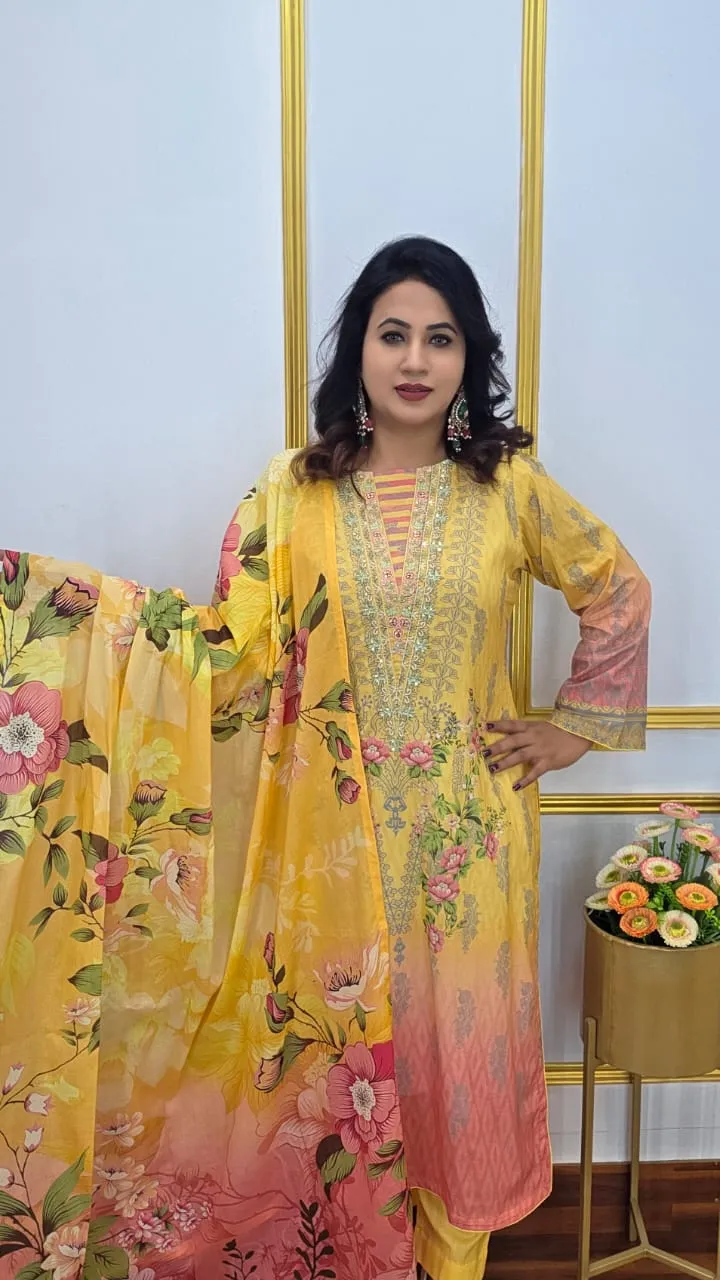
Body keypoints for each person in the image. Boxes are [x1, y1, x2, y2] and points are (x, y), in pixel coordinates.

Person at [0, 236, 650, 1280]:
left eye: (441, 338)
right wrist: (65, 613)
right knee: (333, 1075)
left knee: (452, 1076)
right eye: (393, 334)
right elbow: (228, 654)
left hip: (464, 847)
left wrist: (573, 726)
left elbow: (617, 588)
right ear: (358, 351)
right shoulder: (288, 495)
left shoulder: (508, 491)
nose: (415, 359)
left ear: (469, 357)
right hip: (324, 850)